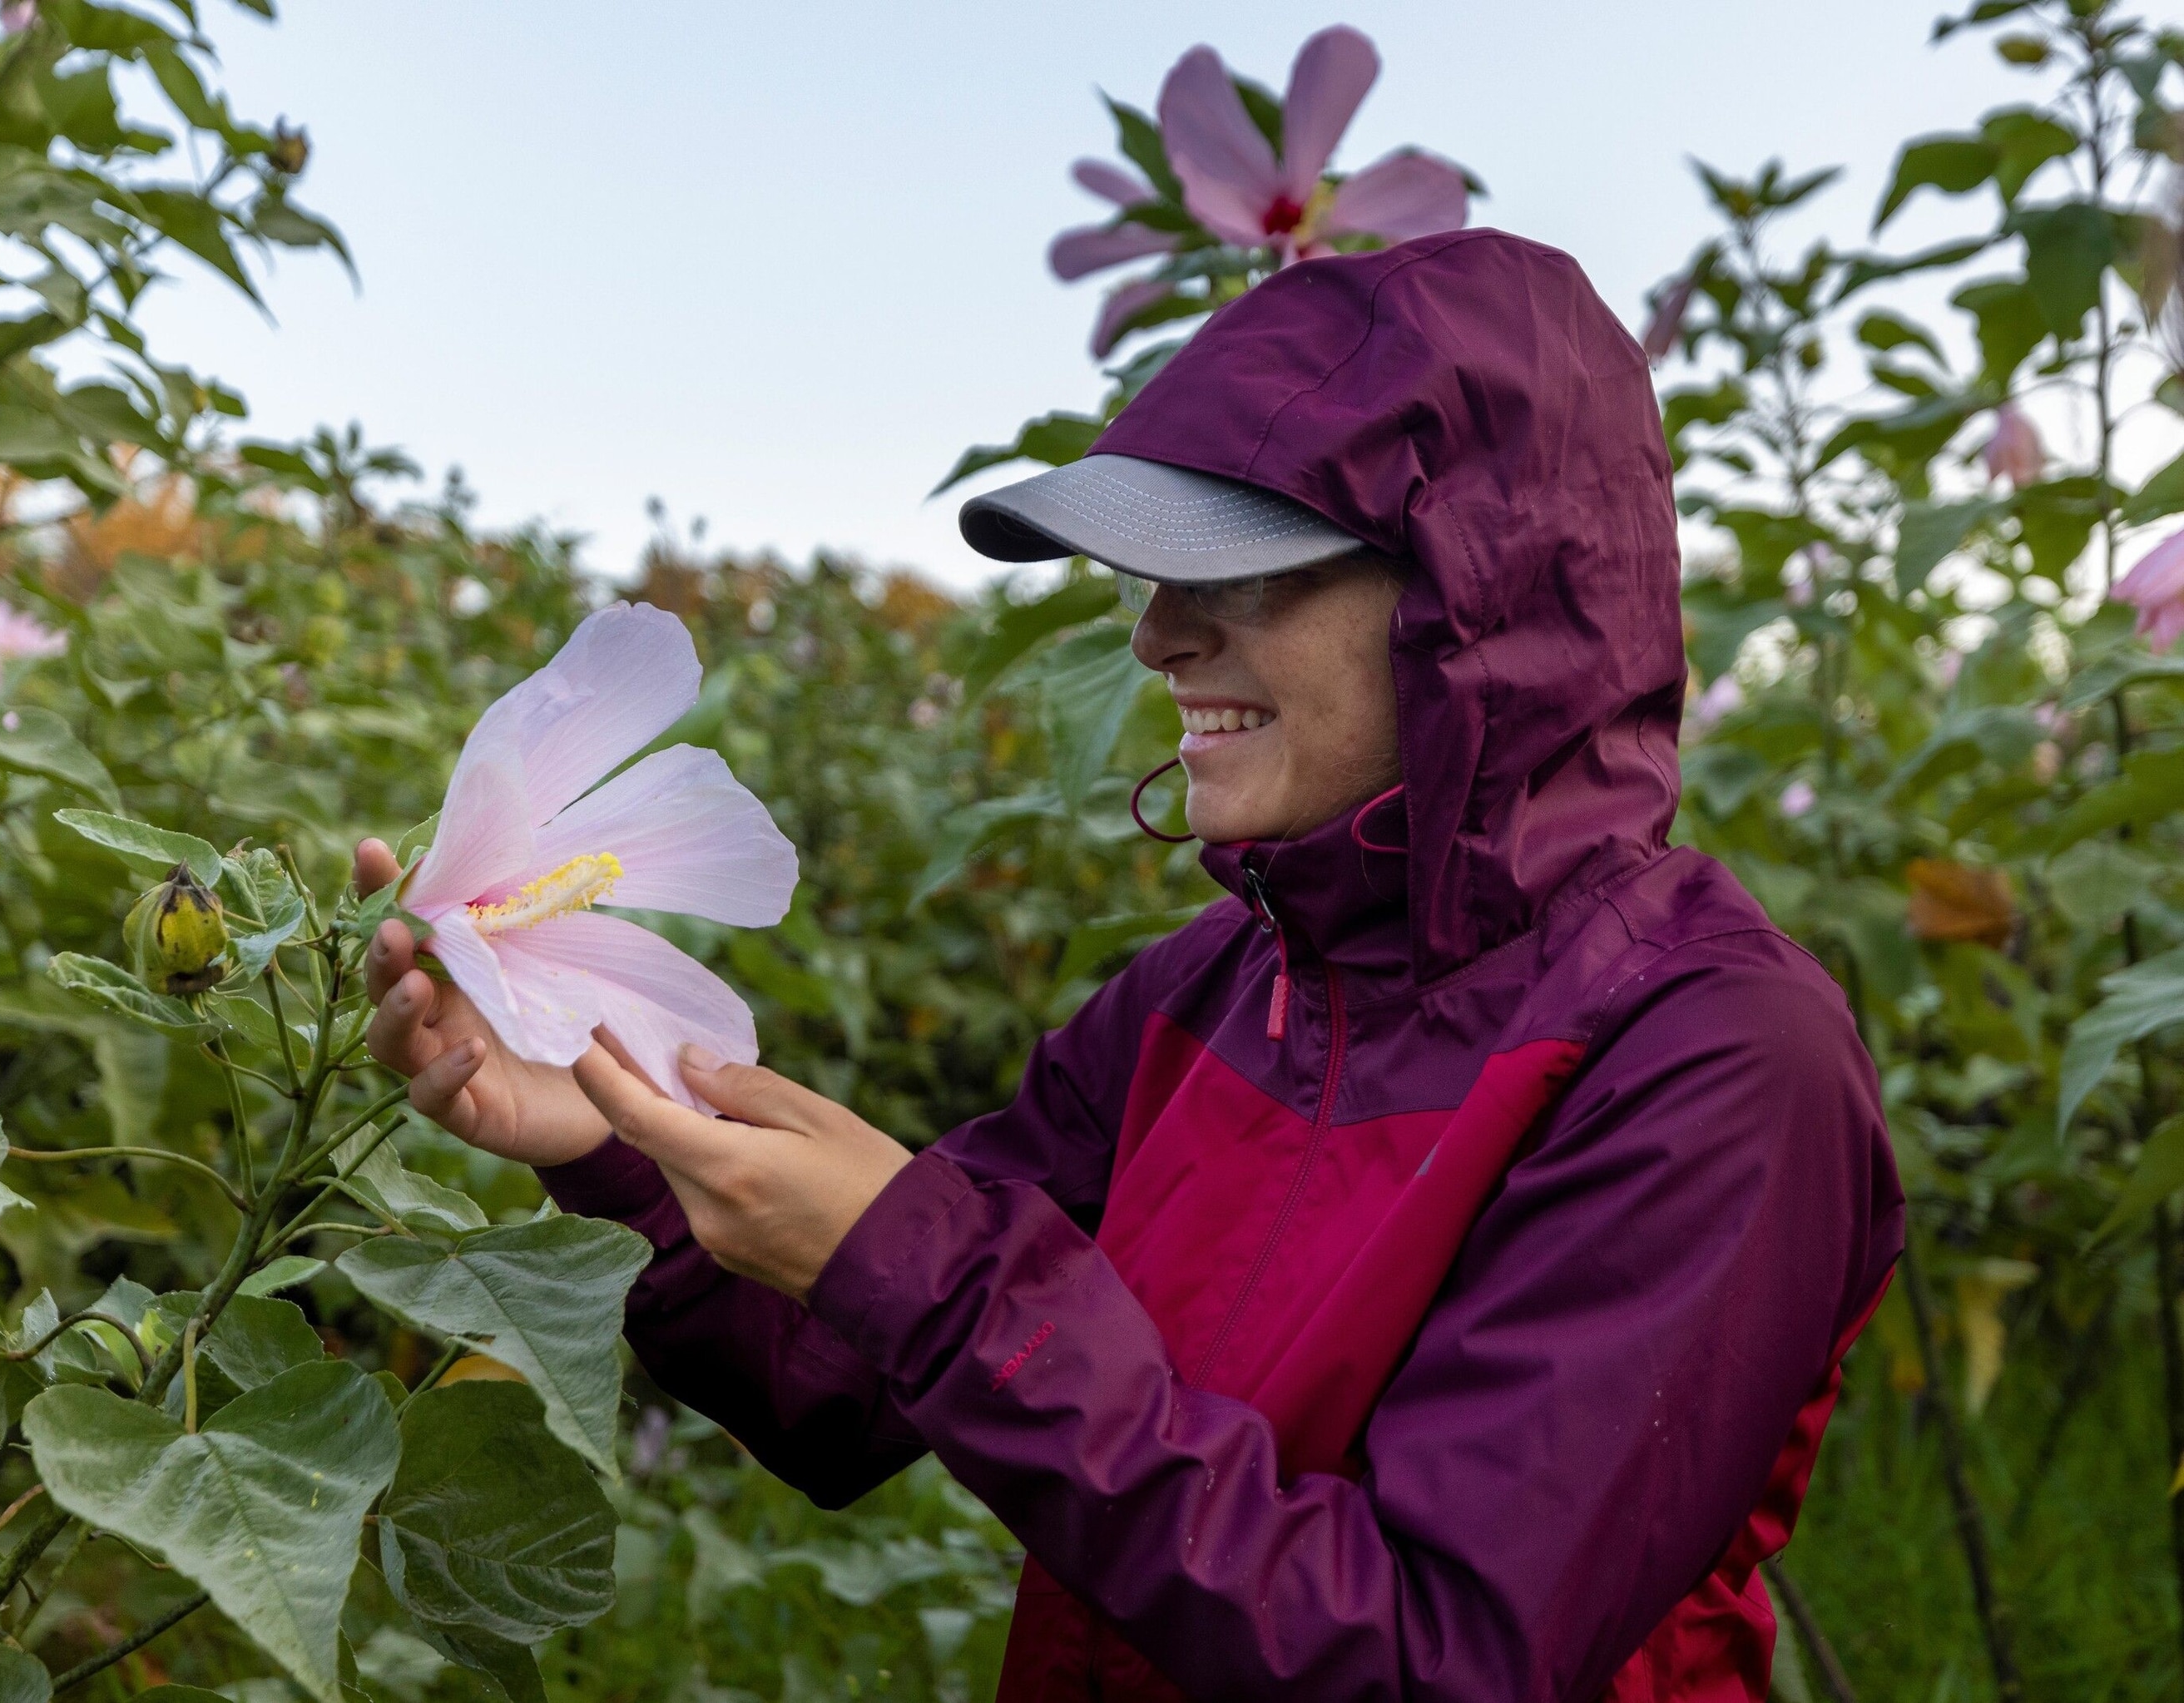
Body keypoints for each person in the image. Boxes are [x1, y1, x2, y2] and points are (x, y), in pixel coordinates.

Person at [354, 228, 1904, 1702]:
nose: (1159, 637)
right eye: (1152, 580)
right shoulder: (1219, 993)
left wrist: (931, 1271)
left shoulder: (1712, 1060)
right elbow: (834, 1383)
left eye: (1244, 577)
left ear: (1472, 609)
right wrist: (604, 1142)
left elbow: (1439, 1658)